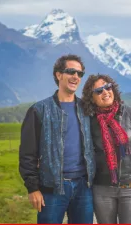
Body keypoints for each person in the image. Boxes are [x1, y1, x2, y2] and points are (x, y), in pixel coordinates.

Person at [19, 54, 95, 224]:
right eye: (71, 71)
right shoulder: (39, 110)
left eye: (80, 73)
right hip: (51, 189)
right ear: (58, 75)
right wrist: (33, 188)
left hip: (84, 187)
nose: (76, 76)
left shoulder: (87, 110)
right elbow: (27, 154)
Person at [81, 74, 131, 224]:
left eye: (108, 87)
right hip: (102, 189)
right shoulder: (88, 120)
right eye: (99, 90)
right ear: (91, 98)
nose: (105, 92)